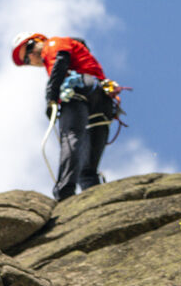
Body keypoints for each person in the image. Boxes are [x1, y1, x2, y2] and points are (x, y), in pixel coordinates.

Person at [11, 33, 118, 200]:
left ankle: (64, 192)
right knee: (86, 170)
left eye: (30, 48)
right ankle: (96, 197)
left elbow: (60, 62)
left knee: (71, 136)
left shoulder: (53, 44)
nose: (32, 57)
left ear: (39, 41)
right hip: (102, 100)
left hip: (80, 90)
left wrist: (51, 96)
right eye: (26, 60)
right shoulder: (77, 52)